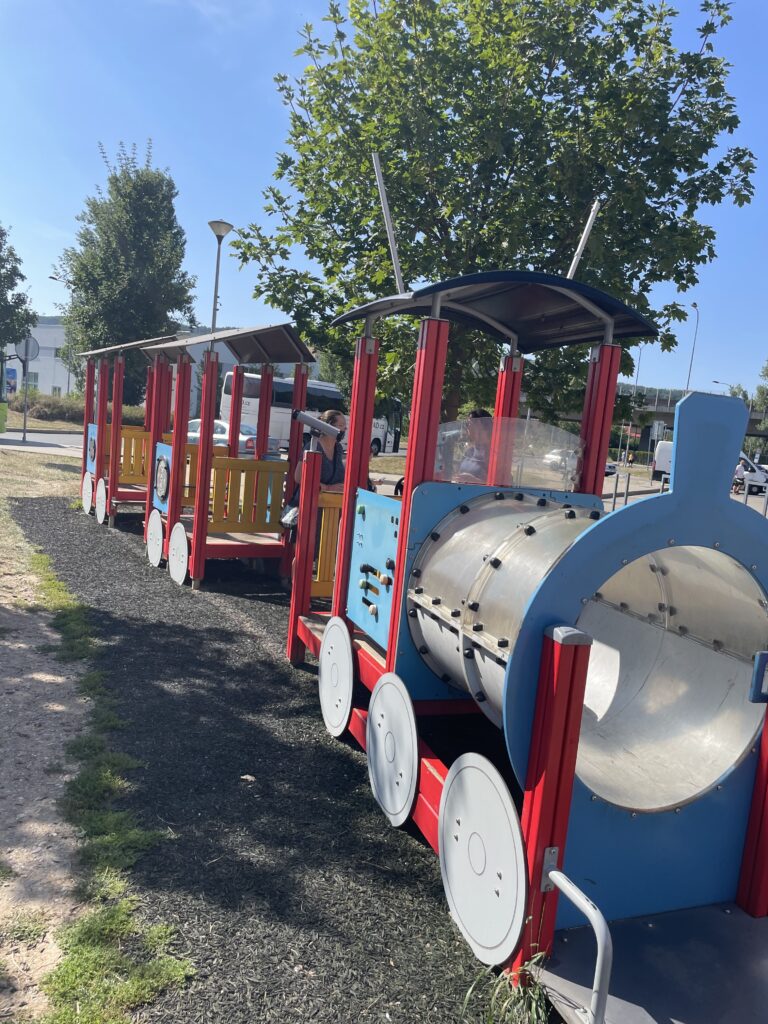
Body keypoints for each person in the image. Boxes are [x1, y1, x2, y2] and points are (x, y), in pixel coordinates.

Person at [457, 409, 492, 482]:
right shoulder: (469, 452)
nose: (467, 428)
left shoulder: (493, 454)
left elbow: (501, 483)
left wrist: (474, 481)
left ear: (479, 424)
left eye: (468, 423)